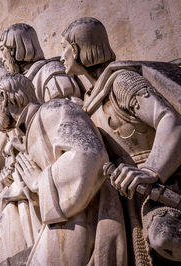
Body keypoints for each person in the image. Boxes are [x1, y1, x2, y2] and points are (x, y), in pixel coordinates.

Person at [60, 17, 181, 263]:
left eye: (64, 47)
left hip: (162, 184)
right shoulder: (89, 102)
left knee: (163, 237)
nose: (61, 56)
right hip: (126, 197)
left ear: (77, 49)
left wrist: (152, 169)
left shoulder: (121, 82)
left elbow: (170, 120)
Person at [0, 73, 127, 265]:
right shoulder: (28, 131)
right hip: (58, 225)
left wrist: (40, 182)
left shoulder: (54, 110)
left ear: (4, 97)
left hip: (80, 223)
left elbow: (90, 155)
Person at [0, 23, 82, 103]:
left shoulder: (50, 72)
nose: (2, 60)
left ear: (13, 49)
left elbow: (67, 110)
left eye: (2, 49)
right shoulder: (20, 84)